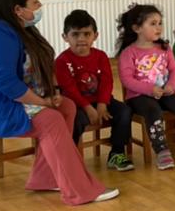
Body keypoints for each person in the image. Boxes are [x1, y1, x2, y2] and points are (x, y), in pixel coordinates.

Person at [0, 0, 118, 204]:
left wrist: (52, 93)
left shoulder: (17, 27)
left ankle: (46, 178)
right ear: (17, 9)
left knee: (66, 106)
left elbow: (36, 67)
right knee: (49, 119)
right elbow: (6, 81)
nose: (39, 6)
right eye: (34, 2)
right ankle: (79, 190)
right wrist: (41, 102)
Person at [117, 4, 175, 170]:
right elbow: (127, 80)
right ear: (137, 28)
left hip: (165, 91)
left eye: (160, 23)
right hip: (139, 96)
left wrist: (172, 85)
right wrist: (150, 89)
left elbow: (174, 69)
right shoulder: (129, 53)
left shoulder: (164, 47)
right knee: (153, 110)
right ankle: (162, 151)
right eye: (152, 23)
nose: (158, 27)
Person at [55, 9, 134, 171]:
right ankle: (70, 158)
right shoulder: (62, 61)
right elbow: (68, 89)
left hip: (101, 101)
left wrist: (102, 104)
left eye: (86, 34)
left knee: (124, 111)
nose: (81, 39)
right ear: (65, 37)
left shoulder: (101, 56)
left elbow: (107, 81)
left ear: (95, 35)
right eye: (75, 34)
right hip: (76, 104)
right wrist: (87, 107)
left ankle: (117, 153)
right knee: (75, 121)